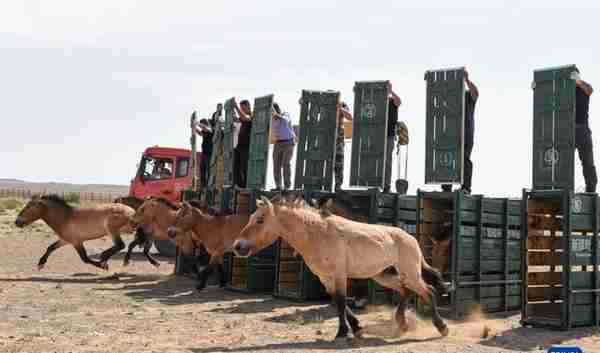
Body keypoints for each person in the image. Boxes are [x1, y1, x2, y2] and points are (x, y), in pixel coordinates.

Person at [442, 69, 478, 194]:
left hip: (466, 133)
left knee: (464, 159)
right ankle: (447, 187)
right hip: (452, 133)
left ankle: (466, 188)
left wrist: (467, 79)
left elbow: (476, 93)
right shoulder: (450, 98)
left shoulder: (468, 95)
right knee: (448, 158)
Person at [573, 69, 596, 192]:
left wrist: (578, 81)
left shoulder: (584, 88)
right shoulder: (565, 90)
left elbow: (590, 90)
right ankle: (563, 187)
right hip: (567, 130)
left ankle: (591, 189)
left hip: (582, 129)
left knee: (587, 162)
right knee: (563, 160)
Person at [271, 102, 296, 190]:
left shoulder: (285, 114)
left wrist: (276, 115)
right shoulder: (271, 118)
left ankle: (287, 186)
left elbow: (285, 120)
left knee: (286, 164)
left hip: (288, 143)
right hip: (278, 143)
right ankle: (278, 186)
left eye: (272, 110)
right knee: (276, 165)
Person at [385, 83, 402, 193]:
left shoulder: (392, 101)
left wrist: (391, 91)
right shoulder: (378, 101)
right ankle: (376, 184)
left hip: (389, 135)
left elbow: (399, 101)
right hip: (377, 136)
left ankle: (387, 186)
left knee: (387, 162)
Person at [233, 99, 252, 188]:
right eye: (241, 109)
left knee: (244, 167)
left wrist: (236, 106)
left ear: (248, 106)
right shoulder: (243, 116)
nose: (242, 110)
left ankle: (245, 185)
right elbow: (238, 119)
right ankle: (239, 185)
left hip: (246, 146)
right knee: (235, 166)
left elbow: (245, 118)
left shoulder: (252, 115)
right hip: (239, 146)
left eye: (243, 108)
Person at [334, 101, 353, 191]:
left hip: (338, 140)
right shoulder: (323, 104)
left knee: (339, 163)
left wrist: (340, 108)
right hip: (325, 139)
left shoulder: (342, 104)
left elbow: (349, 117)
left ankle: (338, 186)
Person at [194, 118, 214, 187]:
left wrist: (197, 124)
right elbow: (200, 133)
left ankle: (208, 184)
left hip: (209, 153)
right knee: (202, 168)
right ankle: (203, 184)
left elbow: (206, 129)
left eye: (202, 124)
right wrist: (194, 127)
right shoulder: (204, 131)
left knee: (208, 169)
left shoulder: (210, 130)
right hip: (204, 153)